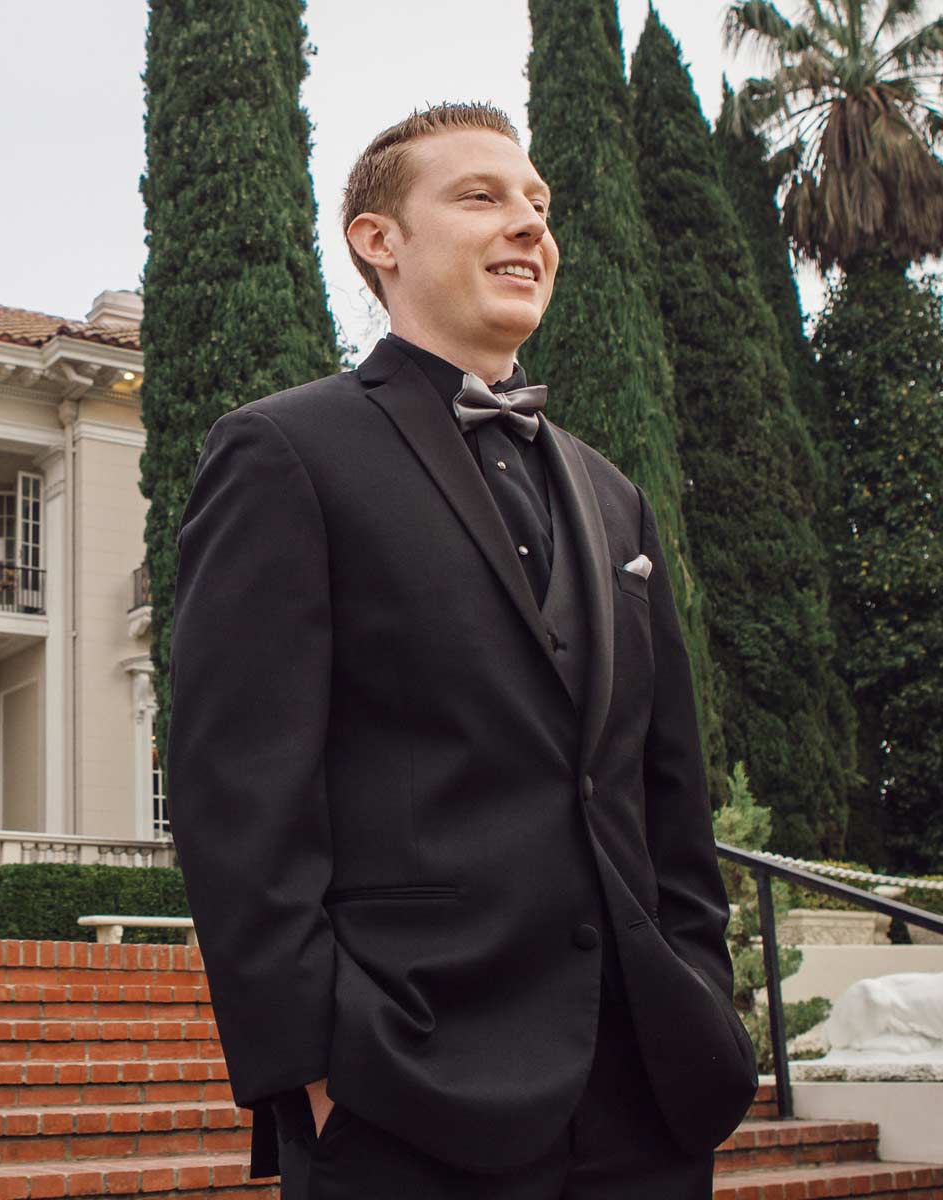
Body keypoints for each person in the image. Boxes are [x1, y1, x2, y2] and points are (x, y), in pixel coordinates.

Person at [168, 103, 754, 1200]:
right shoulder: (284, 451)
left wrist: (699, 992)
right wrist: (317, 1070)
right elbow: (234, 794)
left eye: (539, 204)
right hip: (406, 1092)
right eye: (481, 197)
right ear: (378, 240)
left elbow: (667, 789)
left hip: (647, 1097)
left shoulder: (615, 496)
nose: (529, 224)